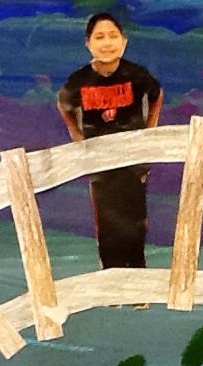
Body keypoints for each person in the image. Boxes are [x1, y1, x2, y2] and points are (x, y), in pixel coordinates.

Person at [57, 12, 163, 272]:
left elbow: (157, 95)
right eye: (100, 37)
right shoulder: (80, 80)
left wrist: (150, 131)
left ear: (124, 41)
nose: (107, 43)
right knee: (107, 224)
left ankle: (137, 278)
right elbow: (64, 103)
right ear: (88, 43)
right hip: (99, 162)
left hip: (133, 160)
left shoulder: (135, 75)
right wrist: (76, 134)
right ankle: (111, 278)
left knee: (135, 220)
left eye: (113, 36)